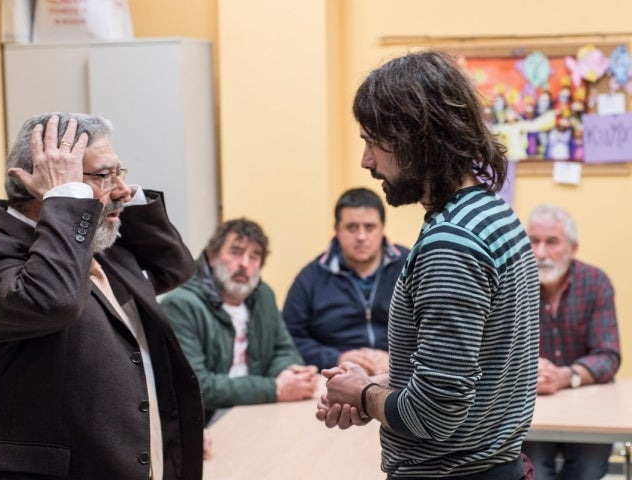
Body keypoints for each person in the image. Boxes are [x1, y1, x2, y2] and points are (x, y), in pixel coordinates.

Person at [0, 113, 205, 480]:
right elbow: (52, 302)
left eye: (119, 172)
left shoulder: (95, 248)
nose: (121, 189)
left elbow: (174, 267)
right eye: (102, 175)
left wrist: (113, 192)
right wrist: (65, 199)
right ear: (42, 185)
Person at [316, 50, 540, 479]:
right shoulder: (492, 215)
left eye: (371, 141)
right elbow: (470, 370)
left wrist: (363, 395)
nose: (366, 161)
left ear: (415, 138)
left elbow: (434, 415)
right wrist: (379, 384)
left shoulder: (451, 246)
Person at [161, 218, 318, 425]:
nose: (245, 264)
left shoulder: (263, 296)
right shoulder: (181, 305)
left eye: (254, 257)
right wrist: (275, 388)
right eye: (236, 252)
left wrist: (290, 373)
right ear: (211, 257)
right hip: (205, 423)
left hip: (259, 410)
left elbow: (284, 350)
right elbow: (197, 386)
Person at [522, 204, 621, 480]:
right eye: (534, 241)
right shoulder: (515, 285)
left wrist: (567, 376)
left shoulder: (596, 282)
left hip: (588, 407)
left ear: (573, 248)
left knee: (588, 471)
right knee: (535, 471)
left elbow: (608, 355)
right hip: (533, 408)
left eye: (551, 242)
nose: (540, 253)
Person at [282, 187, 409, 374]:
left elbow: (437, 329)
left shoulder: (411, 266)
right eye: (352, 227)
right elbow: (289, 338)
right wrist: (336, 358)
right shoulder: (310, 278)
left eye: (370, 227)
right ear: (336, 229)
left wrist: (398, 359)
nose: (361, 237)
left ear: (382, 228)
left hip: (402, 375)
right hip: (333, 376)